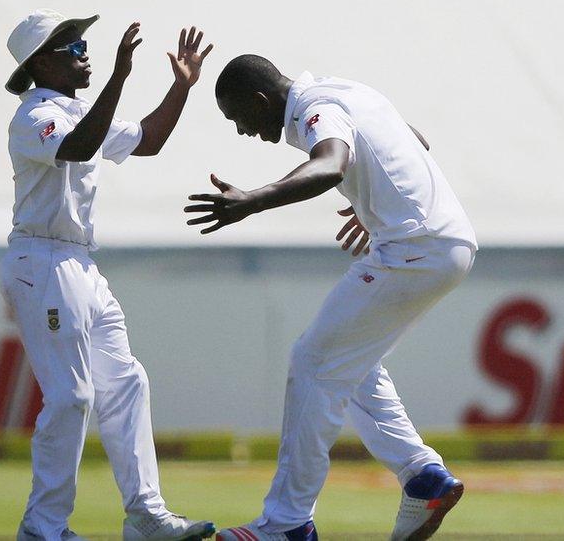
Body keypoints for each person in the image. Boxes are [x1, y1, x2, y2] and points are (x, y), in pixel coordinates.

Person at [185, 54, 478, 541]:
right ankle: (423, 478)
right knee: (349, 364)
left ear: (260, 100)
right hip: (443, 242)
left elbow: (330, 165)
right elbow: (414, 140)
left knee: (312, 361)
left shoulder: (314, 108)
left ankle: (287, 524)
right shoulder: (346, 89)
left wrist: (252, 200)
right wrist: (374, 198)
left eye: (239, 117)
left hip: (415, 248)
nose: (242, 131)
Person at [0, 9, 215, 541]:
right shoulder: (33, 117)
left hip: (80, 264)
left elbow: (148, 139)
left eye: (83, 45)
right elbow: (76, 146)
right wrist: (118, 77)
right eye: (72, 47)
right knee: (71, 396)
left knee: (127, 382)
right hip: (42, 261)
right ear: (40, 63)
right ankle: (42, 527)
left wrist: (181, 87)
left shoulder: (78, 110)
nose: (84, 53)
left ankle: (146, 516)